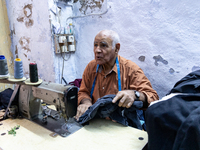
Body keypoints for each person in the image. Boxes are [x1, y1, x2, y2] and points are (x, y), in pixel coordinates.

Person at [75, 29, 159, 121]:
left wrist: (135, 94)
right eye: (95, 45)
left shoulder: (131, 70)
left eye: (103, 45)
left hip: (121, 125)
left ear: (116, 48)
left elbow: (153, 97)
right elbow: (84, 92)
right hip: (96, 122)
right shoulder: (91, 67)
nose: (97, 50)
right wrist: (86, 103)